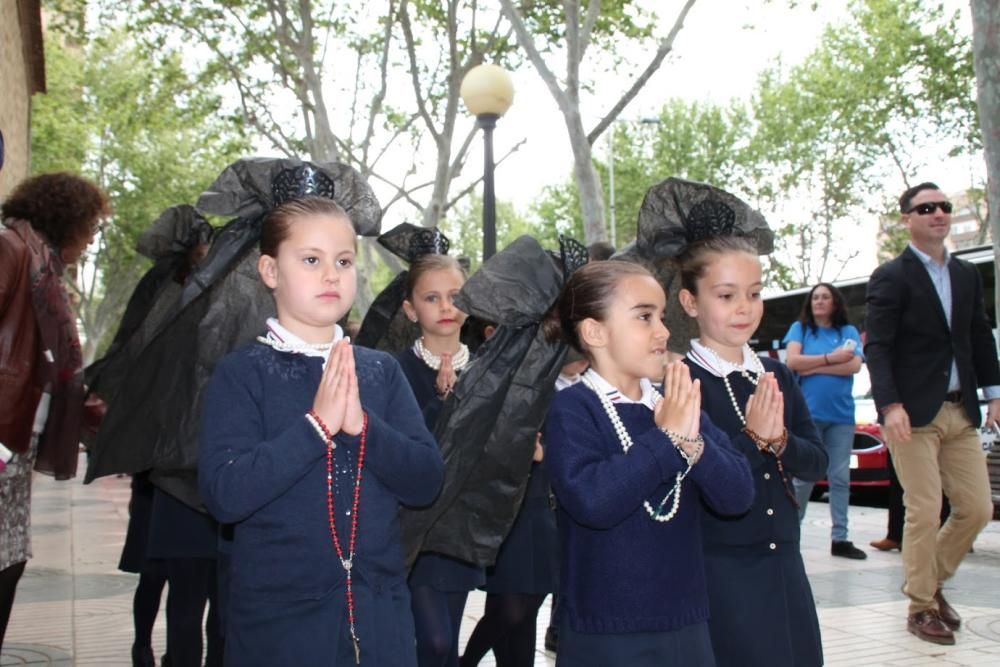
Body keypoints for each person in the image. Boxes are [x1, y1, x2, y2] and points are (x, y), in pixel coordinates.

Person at [198, 195, 444, 666]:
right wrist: (317, 427)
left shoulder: (380, 372)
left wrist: (361, 427)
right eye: (311, 260)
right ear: (270, 271)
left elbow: (426, 481)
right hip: (279, 627)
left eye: (344, 261)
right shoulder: (242, 373)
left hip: (380, 619)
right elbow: (225, 494)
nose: (331, 274)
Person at [541, 260, 754, 667]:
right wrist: (666, 439)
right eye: (644, 317)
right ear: (594, 331)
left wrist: (692, 443)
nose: (664, 331)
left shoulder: (674, 404)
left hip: (685, 621)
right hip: (604, 629)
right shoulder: (573, 408)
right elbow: (593, 500)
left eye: (661, 315)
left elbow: (738, 495)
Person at [677, 236, 827, 667]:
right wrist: (753, 438)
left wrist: (778, 440)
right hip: (720, 567)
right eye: (726, 295)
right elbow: (699, 479)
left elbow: (816, 459)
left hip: (785, 558)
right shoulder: (681, 383)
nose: (744, 306)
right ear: (690, 302)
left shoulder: (776, 373)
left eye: (755, 293)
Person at [864, 181, 999, 646]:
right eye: (927, 208)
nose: (938, 213)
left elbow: (978, 335)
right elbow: (877, 346)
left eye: (943, 206)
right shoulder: (892, 276)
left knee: (978, 508)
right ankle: (922, 607)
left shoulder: (964, 275)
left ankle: (927, 583)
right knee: (923, 508)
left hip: (962, 413)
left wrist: (995, 391)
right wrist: (889, 405)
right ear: (908, 218)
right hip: (912, 414)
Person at [0, 172, 110, 649]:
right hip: (2, 434)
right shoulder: (11, 250)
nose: (88, 242)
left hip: (14, 439)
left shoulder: (41, 265)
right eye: (89, 228)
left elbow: (52, 363)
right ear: (69, 221)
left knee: (10, 557)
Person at [394, 253, 483, 667]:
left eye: (455, 296)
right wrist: (441, 406)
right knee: (433, 640)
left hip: (462, 525)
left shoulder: (487, 372)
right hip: (413, 527)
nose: (446, 307)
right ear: (411, 309)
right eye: (432, 298)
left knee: (445, 644)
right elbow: (401, 451)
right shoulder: (393, 371)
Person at [782, 282, 867, 559]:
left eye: (825, 297)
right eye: (815, 297)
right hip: (809, 416)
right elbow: (793, 362)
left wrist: (814, 365)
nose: (819, 301)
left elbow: (854, 365)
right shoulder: (801, 329)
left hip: (842, 416)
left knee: (840, 478)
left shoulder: (848, 331)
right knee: (804, 478)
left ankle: (840, 538)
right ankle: (792, 533)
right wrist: (831, 359)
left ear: (835, 302)